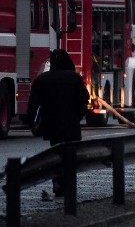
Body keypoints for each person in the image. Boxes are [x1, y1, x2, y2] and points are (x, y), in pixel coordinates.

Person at [27, 49, 89, 197]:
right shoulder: (75, 78)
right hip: (71, 125)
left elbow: (34, 104)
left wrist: (34, 123)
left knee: (56, 155)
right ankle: (68, 185)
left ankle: (57, 182)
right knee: (70, 157)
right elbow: (83, 100)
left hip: (52, 126)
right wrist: (77, 116)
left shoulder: (42, 80)